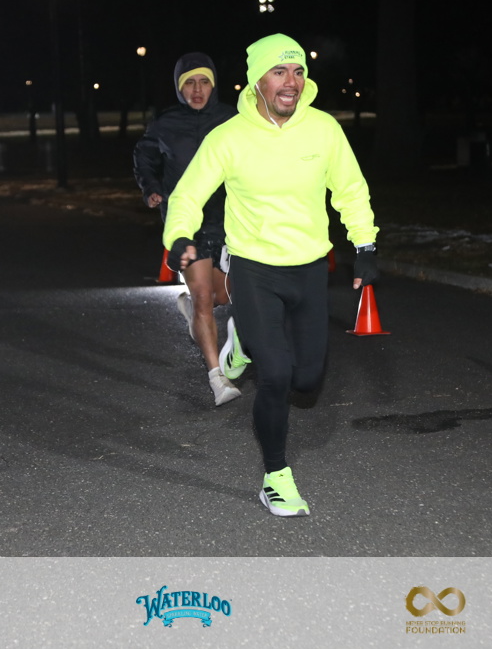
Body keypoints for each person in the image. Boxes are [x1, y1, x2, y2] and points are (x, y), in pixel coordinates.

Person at [162, 34, 380, 517]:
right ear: (257, 80)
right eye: (279, 72)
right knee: (276, 375)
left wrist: (364, 245)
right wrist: (179, 237)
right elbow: (188, 194)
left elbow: (350, 189)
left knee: (307, 380)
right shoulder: (229, 137)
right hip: (254, 268)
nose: (291, 82)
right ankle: (276, 477)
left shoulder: (323, 130)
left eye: (298, 71)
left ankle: (240, 343)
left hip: (309, 269)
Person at [134, 52, 239, 406]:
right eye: (189, 83)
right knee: (205, 298)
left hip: (227, 218)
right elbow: (144, 156)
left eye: (204, 81)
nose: (197, 90)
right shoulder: (165, 124)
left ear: (214, 85)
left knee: (223, 296)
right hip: (187, 221)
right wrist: (151, 188)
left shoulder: (232, 119)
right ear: (179, 88)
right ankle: (217, 378)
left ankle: (192, 310)